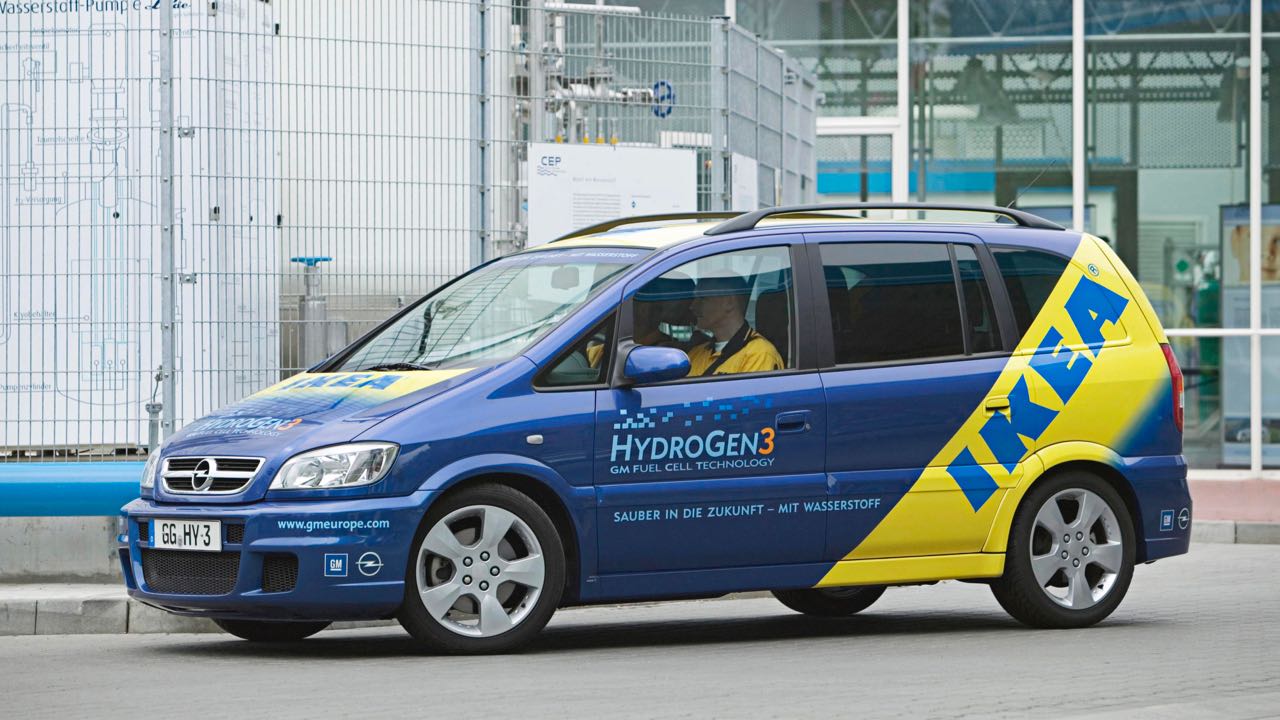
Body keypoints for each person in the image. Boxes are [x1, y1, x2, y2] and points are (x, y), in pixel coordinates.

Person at [686, 273, 783, 376]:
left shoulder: (760, 354)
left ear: (729, 302)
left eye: (702, 298)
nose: (693, 306)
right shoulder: (696, 353)